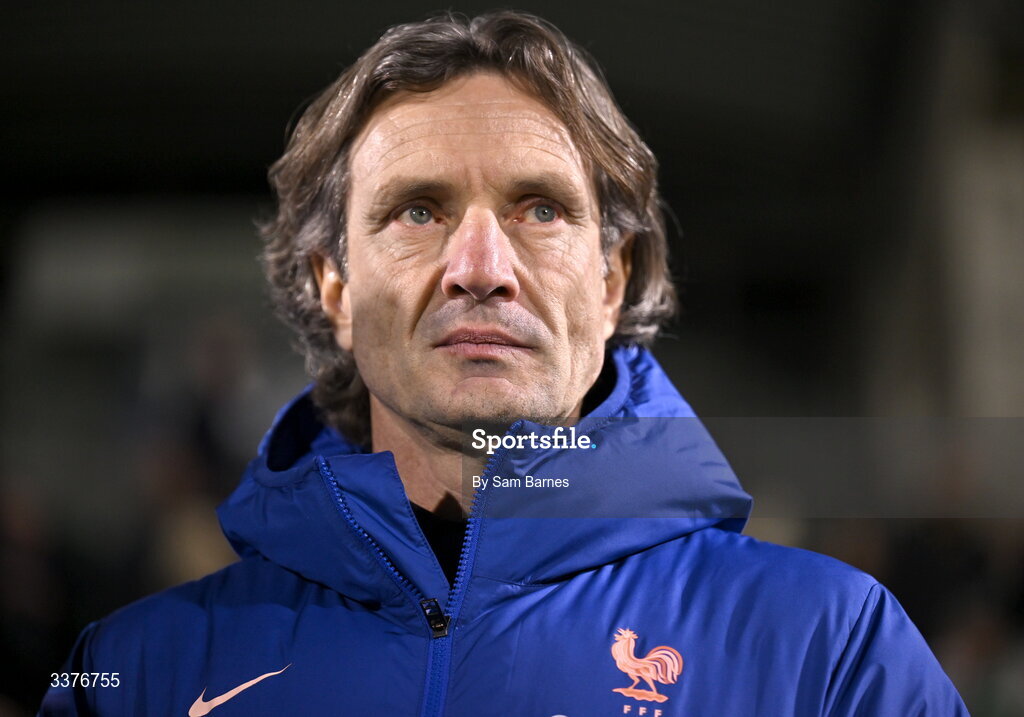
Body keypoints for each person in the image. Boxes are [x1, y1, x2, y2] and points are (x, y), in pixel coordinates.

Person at [41, 11, 968, 716]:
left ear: (611, 281)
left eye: (539, 210)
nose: (481, 268)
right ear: (333, 287)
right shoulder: (132, 673)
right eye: (418, 211)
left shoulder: (830, 649)